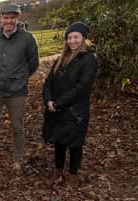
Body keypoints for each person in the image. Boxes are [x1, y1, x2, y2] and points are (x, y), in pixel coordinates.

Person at [42, 22, 98, 183]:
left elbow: (82, 87)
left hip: (75, 110)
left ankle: (73, 172)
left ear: (84, 38)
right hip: (56, 108)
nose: (72, 41)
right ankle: (58, 170)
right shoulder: (61, 59)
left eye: (76, 37)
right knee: (58, 140)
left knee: (75, 143)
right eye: (69, 37)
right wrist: (49, 101)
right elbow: (48, 82)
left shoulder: (89, 59)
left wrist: (59, 103)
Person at [0, 3, 39, 173]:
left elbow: (33, 64)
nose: (9, 21)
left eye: (12, 18)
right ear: (1, 18)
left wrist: (20, 78)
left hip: (17, 92)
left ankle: (18, 159)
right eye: (6, 17)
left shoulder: (28, 39)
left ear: (18, 18)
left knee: (17, 126)